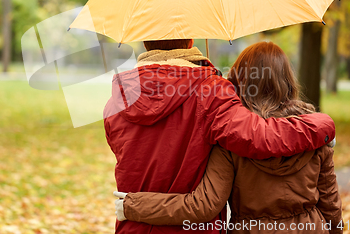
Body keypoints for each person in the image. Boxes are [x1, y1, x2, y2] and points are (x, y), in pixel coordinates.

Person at [104, 39, 336, 233]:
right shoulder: (212, 94)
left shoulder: (115, 102)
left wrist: (132, 207)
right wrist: (323, 125)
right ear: (189, 42)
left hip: (134, 226)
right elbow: (263, 137)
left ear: (145, 44)